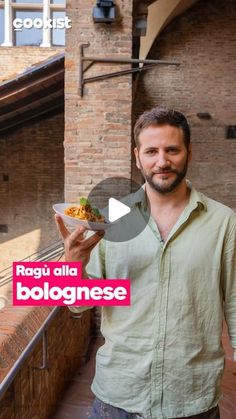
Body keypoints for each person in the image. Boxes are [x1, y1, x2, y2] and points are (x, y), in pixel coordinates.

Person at [55, 107, 236, 419]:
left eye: (172, 150)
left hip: (193, 399)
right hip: (118, 397)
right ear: (137, 156)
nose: (162, 161)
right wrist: (73, 263)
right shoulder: (109, 220)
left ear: (188, 153)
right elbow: (76, 305)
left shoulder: (224, 221)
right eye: (151, 151)